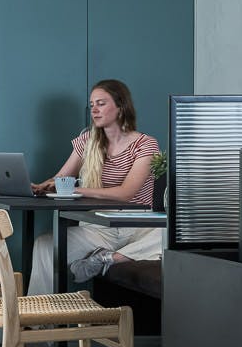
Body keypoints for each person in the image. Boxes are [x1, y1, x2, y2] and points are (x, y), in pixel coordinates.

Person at [27, 79, 161, 295]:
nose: (94, 110)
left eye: (101, 103)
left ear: (121, 106)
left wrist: (76, 190)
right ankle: (39, 313)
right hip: (98, 227)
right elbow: (61, 178)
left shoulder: (145, 144)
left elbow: (126, 193)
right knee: (44, 245)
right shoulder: (87, 141)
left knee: (171, 235)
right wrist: (42, 186)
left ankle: (108, 259)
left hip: (138, 228)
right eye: (92, 105)